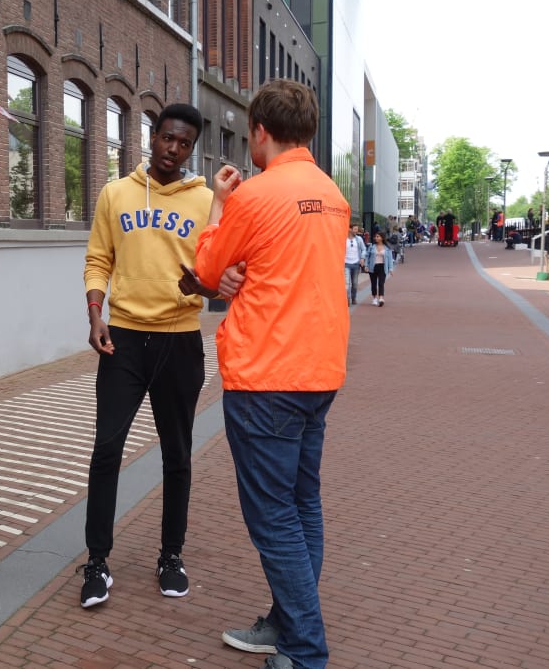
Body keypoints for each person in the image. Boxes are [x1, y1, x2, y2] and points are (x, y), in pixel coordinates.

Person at [191, 79, 350, 669]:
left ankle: (305, 651)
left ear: (259, 131)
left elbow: (207, 266)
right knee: (302, 502)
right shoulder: (332, 195)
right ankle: (286, 623)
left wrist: (218, 203)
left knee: (274, 516)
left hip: (267, 373)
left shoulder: (255, 195)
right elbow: (286, 267)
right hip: (319, 369)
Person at [80, 103, 240, 608]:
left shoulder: (204, 200)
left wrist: (204, 283)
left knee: (178, 455)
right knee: (106, 450)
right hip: (123, 338)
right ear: (152, 136)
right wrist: (94, 313)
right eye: (168, 138)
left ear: (191, 147)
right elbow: (98, 258)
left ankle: (171, 556)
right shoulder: (115, 193)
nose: (174, 149)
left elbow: (216, 267)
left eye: (185, 143)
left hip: (179, 339)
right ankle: (97, 562)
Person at [364, 231, 393, 306]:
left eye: (378, 237)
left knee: (381, 283)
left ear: (382, 238)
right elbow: (367, 256)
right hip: (373, 267)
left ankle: (381, 298)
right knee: (373, 284)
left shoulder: (387, 248)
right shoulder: (372, 247)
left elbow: (390, 259)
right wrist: (366, 265)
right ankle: (374, 298)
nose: (376, 238)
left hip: (382, 267)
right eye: (375, 237)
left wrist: (391, 269)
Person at [343, 224, 366, 305]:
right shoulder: (343, 239)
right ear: (349, 229)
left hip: (356, 264)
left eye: (357, 229)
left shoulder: (359, 239)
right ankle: (347, 299)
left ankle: (354, 297)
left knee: (355, 283)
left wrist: (362, 258)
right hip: (346, 264)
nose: (356, 231)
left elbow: (363, 249)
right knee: (347, 283)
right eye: (355, 229)